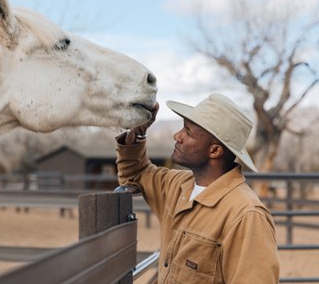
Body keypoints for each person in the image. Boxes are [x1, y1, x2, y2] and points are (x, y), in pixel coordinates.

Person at [116, 93, 279, 283]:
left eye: (188, 132)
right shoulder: (177, 186)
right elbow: (136, 174)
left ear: (215, 151)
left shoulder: (246, 215)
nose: (177, 136)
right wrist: (138, 135)